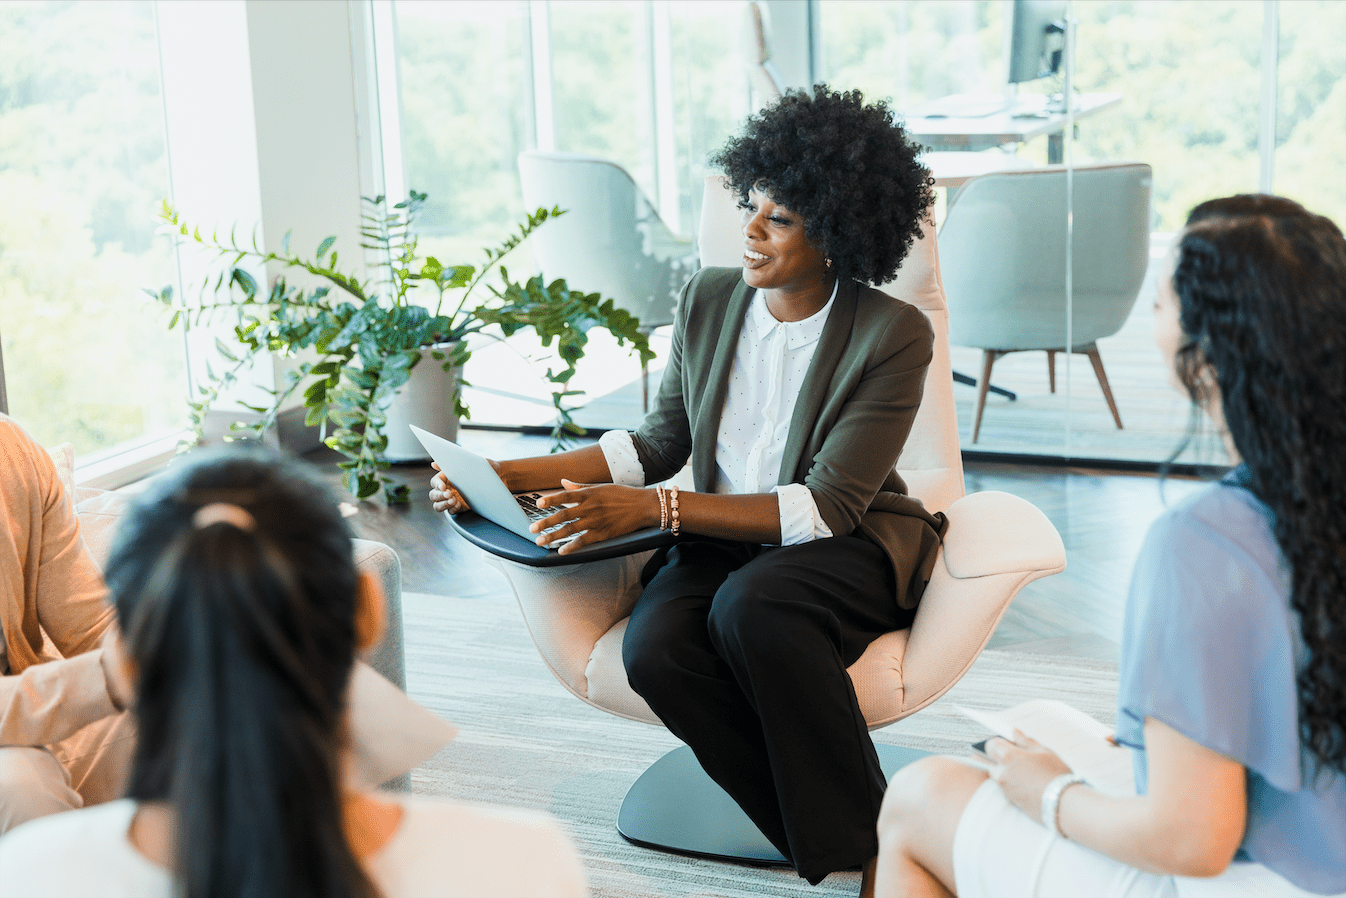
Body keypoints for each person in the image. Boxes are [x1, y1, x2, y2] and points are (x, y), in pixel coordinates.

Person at [431, 85, 943, 893]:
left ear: (840, 231)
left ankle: (881, 858)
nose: (749, 229)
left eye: (779, 219)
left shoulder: (893, 332)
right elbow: (658, 440)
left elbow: (828, 505)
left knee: (754, 607)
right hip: (719, 536)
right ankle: (859, 836)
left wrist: (658, 509)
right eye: (752, 205)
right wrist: (500, 476)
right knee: (656, 648)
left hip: (844, 543)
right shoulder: (709, 298)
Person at [873, 194, 1346, 898]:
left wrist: (1051, 794)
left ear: (1203, 350)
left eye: (1157, 303)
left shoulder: (1204, 544)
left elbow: (1193, 838)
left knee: (920, 796)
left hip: (1276, 881)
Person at [0, 447, 588, 898]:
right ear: (368, 609)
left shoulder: (34, 870)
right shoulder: (530, 862)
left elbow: (90, 628)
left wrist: (177, 641)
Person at [0, 413, 133, 832]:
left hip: (30, 705)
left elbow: (92, 627)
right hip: (18, 745)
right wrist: (109, 677)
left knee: (213, 712)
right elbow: (104, 672)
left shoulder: (11, 449)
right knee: (23, 788)